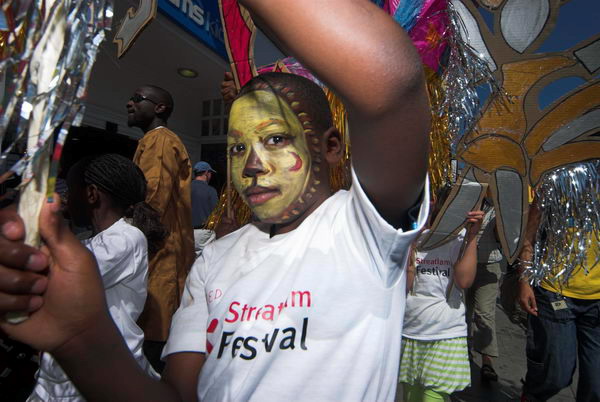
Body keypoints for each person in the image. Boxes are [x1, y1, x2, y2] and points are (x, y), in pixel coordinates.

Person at [0, 0, 431, 400]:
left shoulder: (366, 228)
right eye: (239, 147)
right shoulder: (215, 258)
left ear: (331, 146)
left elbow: (390, 81)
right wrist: (80, 337)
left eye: (277, 139)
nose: (252, 165)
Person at [27, 154, 163, 401]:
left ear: (91, 194)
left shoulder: (126, 238)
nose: (65, 200)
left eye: (70, 190)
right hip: (63, 378)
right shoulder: (89, 242)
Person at [127, 85, 195, 371]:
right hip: (162, 255)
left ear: (160, 108)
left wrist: (123, 241)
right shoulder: (155, 140)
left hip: (159, 255)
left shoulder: (161, 141)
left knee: (155, 338)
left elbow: (153, 196)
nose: (129, 103)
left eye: (137, 99)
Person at [400, 202, 484, 402]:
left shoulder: (460, 240)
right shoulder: (414, 238)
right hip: (410, 331)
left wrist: (472, 236)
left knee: (432, 397)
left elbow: (464, 281)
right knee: (412, 397)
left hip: (445, 332)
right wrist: (410, 244)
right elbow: (405, 286)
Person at [518, 198, 600, 402]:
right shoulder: (555, 183)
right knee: (556, 375)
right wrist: (524, 281)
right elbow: (528, 237)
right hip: (554, 292)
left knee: (596, 386)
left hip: (596, 301)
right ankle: (532, 395)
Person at [466, 202, 506, 383]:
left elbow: (505, 237)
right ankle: (460, 353)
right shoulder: (467, 196)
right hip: (462, 259)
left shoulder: (499, 203)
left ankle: (487, 361)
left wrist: (501, 214)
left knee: (484, 312)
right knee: (461, 312)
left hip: (489, 264)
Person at [190, 161, 218, 255]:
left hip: (186, 232)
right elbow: (217, 213)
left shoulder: (185, 189)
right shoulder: (210, 191)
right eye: (210, 173)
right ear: (206, 173)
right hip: (205, 233)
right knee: (206, 263)